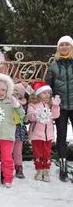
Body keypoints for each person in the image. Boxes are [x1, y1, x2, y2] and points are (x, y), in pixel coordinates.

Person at [45, 35, 73, 182]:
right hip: (60, 106)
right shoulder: (54, 65)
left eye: (67, 44)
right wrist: (51, 100)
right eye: (61, 45)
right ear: (58, 48)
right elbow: (48, 85)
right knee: (61, 136)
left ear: (71, 47)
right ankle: (63, 166)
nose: (64, 47)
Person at [26, 81, 60, 182]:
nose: (47, 95)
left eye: (49, 93)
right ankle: (39, 170)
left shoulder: (50, 104)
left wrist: (55, 106)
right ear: (38, 94)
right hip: (37, 134)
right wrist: (36, 114)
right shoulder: (33, 104)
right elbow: (30, 117)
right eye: (44, 93)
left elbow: (55, 116)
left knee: (47, 153)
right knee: (38, 153)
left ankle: (46, 170)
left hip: (48, 134)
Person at [12, 83, 29, 179]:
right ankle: (8, 168)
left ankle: (19, 168)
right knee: (8, 151)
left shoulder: (25, 103)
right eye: (14, 92)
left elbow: (25, 116)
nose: (16, 95)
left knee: (18, 152)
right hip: (10, 129)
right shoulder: (9, 102)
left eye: (18, 93)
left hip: (20, 130)